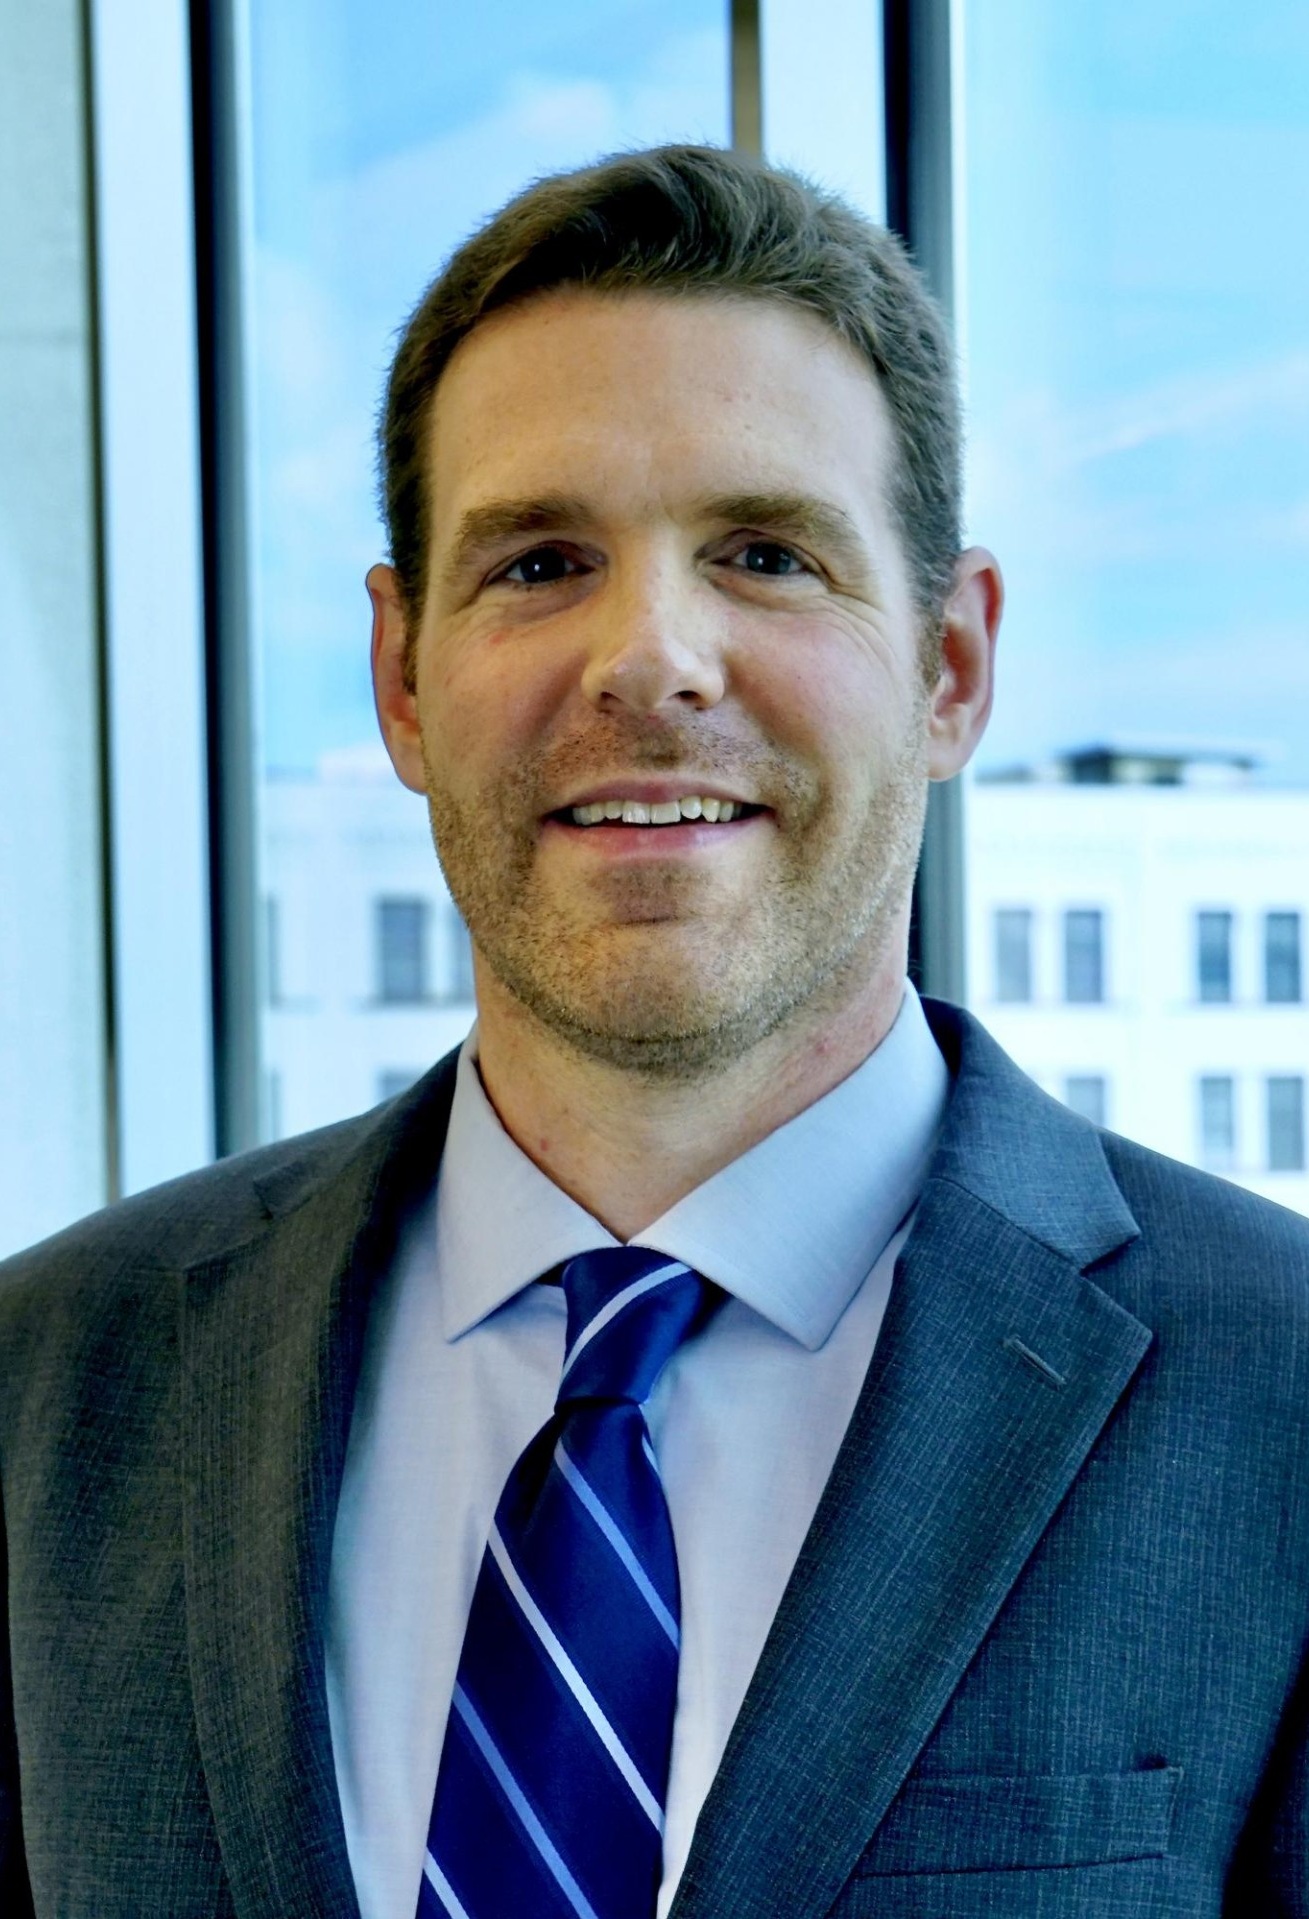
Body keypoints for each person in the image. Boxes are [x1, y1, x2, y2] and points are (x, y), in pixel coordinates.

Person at [2, 143, 1308, 1919]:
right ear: (400, 677)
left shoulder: (1280, 1397)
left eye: (764, 554)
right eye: (541, 562)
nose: (649, 659)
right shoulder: (44, 1391)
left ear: (949, 666)